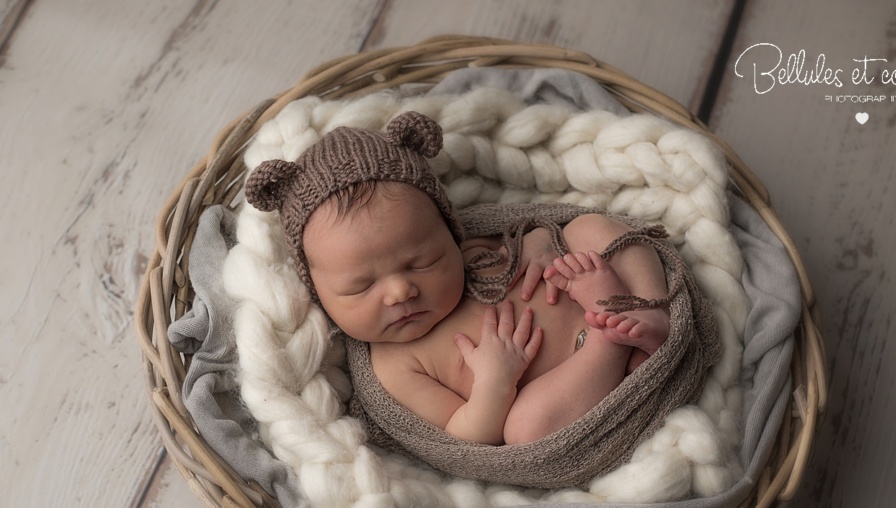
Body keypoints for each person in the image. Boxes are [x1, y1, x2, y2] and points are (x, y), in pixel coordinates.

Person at [245, 112, 672, 446]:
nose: (400, 291)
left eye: (424, 261)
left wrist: (542, 243)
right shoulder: (395, 367)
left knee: (590, 227)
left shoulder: (470, 253)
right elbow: (465, 433)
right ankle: (612, 343)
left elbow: (529, 228)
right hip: (572, 386)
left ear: (450, 235)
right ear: (317, 293)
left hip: (590, 289)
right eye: (360, 287)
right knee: (524, 430)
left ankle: (647, 307)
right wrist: (495, 382)